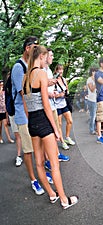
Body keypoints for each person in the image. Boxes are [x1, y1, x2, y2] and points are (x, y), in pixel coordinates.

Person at [23, 45, 78, 209]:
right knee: (54, 164)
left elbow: (28, 103)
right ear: (41, 57)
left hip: (32, 123)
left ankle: (52, 195)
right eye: (46, 56)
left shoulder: (25, 77)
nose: (47, 59)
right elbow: (47, 106)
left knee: (39, 163)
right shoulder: (40, 73)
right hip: (44, 122)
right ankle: (64, 200)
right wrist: (56, 129)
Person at [11, 36, 46, 194]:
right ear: (27, 49)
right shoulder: (19, 67)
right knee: (28, 150)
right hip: (23, 114)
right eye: (34, 48)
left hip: (33, 114)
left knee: (39, 147)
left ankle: (42, 176)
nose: (37, 52)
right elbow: (24, 94)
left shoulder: (30, 66)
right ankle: (33, 180)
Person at [44, 48, 69, 171]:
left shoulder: (48, 70)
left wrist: (52, 90)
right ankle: (48, 159)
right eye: (51, 55)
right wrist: (51, 93)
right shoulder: (41, 70)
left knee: (55, 132)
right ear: (44, 56)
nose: (52, 57)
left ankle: (56, 154)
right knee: (50, 132)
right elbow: (40, 88)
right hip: (47, 105)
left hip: (53, 104)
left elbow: (48, 87)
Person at [53, 64, 76, 147]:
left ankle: (67, 137)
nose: (61, 71)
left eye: (62, 69)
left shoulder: (63, 80)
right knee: (59, 124)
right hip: (57, 105)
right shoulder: (53, 81)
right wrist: (59, 95)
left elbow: (67, 90)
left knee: (70, 121)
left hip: (64, 104)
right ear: (56, 71)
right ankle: (62, 142)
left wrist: (66, 93)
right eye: (59, 69)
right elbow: (51, 95)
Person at [0, 80, 15, 144]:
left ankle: (9, 138)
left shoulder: (4, 92)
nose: (2, 86)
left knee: (5, 124)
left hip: (4, 110)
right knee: (0, 126)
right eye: (1, 85)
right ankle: (0, 138)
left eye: (2, 85)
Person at [86, 67, 97, 135]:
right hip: (91, 100)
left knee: (95, 116)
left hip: (96, 99)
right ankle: (91, 130)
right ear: (92, 72)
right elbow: (92, 89)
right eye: (95, 71)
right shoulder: (89, 79)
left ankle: (95, 128)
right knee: (92, 116)